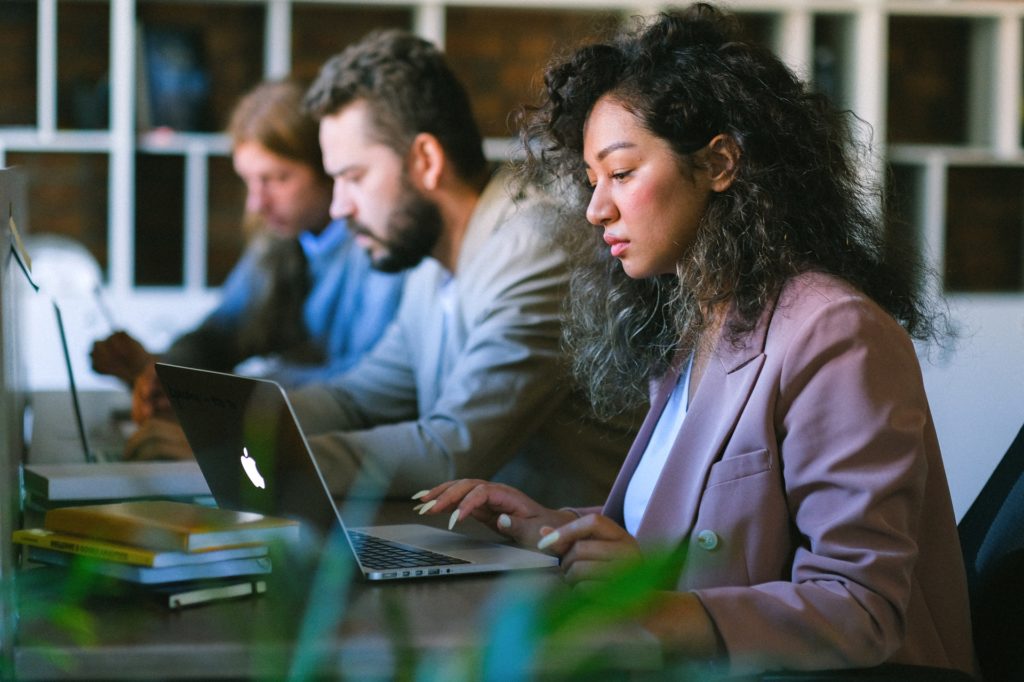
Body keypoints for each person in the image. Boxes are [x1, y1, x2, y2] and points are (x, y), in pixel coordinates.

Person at [416, 5, 977, 678]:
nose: (596, 209)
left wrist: (654, 606)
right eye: (592, 182)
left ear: (718, 163)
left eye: (621, 174)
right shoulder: (704, 324)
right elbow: (695, 523)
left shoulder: (835, 334)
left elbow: (862, 609)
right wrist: (555, 530)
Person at [283, 29, 639, 507]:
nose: (339, 207)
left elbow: (453, 450)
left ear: (426, 161)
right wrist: (235, 417)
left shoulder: (538, 246)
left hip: (574, 569)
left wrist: (269, 455)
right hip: (490, 553)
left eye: (354, 177)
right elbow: (357, 399)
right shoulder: (432, 263)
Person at [90, 79, 405, 457]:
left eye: (276, 179)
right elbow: (221, 333)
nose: (257, 203)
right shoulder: (280, 240)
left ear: (328, 167)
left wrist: (225, 395)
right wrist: (167, 371)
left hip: (352, 453)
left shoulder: (380, 246)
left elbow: (364, 386)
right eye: (249, 182)